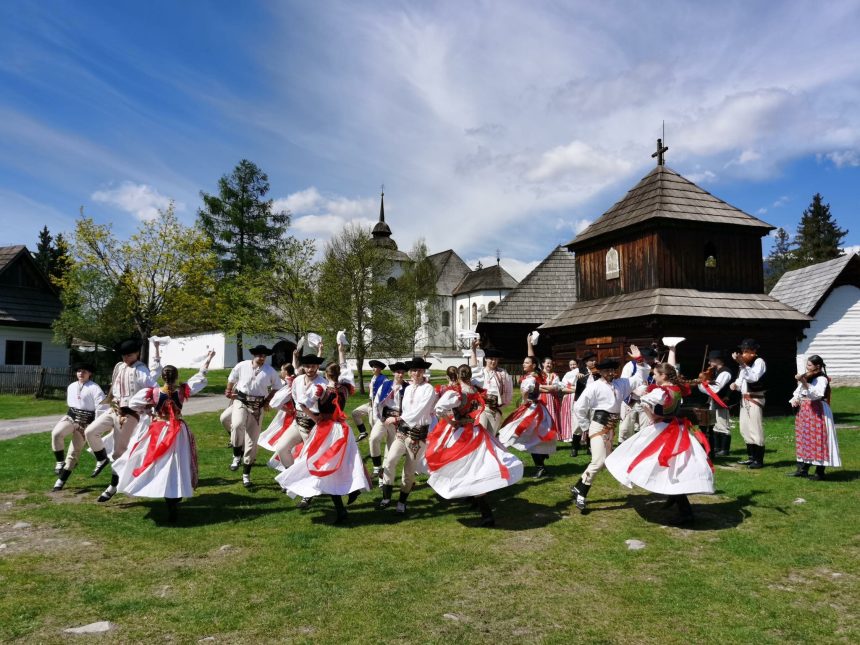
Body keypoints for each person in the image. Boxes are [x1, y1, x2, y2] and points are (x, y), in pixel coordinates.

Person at [605, 349, 714, 525]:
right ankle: (673, 497)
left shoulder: (661, 392)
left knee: (657, 463)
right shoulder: (676, 388)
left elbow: (645, 403)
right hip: (677, 428)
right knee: (673, 465)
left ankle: (686, 512)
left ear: (663, 375)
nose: (653, 377)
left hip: (665, 430)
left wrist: (652, 416)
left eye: (655, 374)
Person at [113, 351, 215, 522]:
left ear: (162, 377)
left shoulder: (152, 392)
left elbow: (133, 404)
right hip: (178, 431)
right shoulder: (183, 390)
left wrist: (148, 410)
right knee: (177, 461)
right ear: (176, 377)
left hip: (159, 428)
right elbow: (200, 378)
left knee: (157, 460)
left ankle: (162, 490)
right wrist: (208, 361)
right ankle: (175, 495)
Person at [426, 364, 523, 527]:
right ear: (470, 376)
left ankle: (486, 513)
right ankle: (473, 500)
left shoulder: (456, 391)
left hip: (463, 433)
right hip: (476, 431)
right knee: (477, 466)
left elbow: (439, 409)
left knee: (464, 467)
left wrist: (452, 422)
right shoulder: (475, 389)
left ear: (458, 375)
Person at [276, 370, 370, 524]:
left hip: (326, 430)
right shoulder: (344, 388)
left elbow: (302, 404)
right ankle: (350, 495)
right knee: (343, 463)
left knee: (318, 463)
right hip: (342, 429)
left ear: (326, 375)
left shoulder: (322, 390)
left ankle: (339, 504)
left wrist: (315, 417)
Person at [570, 347, 648, 513]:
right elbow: (579, 407)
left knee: (602, 462)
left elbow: (640, 377)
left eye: (613, 370)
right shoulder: (594, 387)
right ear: (601, 371)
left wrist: (639, 360)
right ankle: (582, 494)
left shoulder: (621, 384)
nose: (611, 373)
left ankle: (577, 487)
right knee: (598, 461)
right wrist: (585, 427)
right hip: (598, 426)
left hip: (611, 427)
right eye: (607, 370)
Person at [84, 338, 162, 503]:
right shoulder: (119, 366)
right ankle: (101, 458)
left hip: (130, 415)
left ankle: (112, 487)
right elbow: (114, 387)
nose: (125, 358)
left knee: (120, 453)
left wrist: (149, 406)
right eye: (123, 355)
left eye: (129, 355)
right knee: (90, 432)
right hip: (114, 409)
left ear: (137, 354)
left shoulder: (141, 371)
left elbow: (155, 390)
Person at [378, 357, 438, 515]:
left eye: (419, 370)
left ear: (423, 371)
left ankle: (402, 502)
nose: (416, 373)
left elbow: (418, 411)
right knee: (389, 461)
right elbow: (405, 410)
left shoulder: (428, 389)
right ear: (409, 372)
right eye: (413, 370)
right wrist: (399, 422)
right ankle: (386, 497)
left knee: (409, 472)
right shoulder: (409, 388)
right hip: (402, 432)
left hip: (417, 436)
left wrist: (397, 419)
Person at [498, 337, 558, 479]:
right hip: (532, 409)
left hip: (533, 410)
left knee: (511, 434)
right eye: (524, 362)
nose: (523, 364)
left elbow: (527, 392)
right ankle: (540, 463)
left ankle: (503, 463)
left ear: (533, 365)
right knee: (528, 437)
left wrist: (525, 397)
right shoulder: (533, 375)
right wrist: (528, 343)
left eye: (526, 363)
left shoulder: (533, 377)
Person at [224, 344, 282, 487]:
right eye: (259, 355)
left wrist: (268, 400)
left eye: (264, 356)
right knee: (237, 425)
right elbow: (232, 378)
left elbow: (277, 387)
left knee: (252, 441)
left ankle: (246, 475)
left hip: (258, 406)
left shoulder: (270, 371)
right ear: (254, 355)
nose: (261, 358)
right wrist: (228, 389)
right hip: (241, 400)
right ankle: (237, 455)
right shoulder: (242, 365)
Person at [50, 363, 106, 491]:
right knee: (56, 434)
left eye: (84, 371)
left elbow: (102, 407)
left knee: (73, 454)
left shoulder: (94, 388)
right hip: (71, 418)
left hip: (86, 423)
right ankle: (59, 462)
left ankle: (60, 481)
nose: (81, 373)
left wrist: (93, 426)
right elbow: (72, 404)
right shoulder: (71, 386)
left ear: (90, 373)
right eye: (79, 371)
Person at [788, 355, 841, 480]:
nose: (807, 367)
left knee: (819, 439)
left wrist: (804, 382)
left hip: (818, 411)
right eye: (807, 365)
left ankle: (819, 472)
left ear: (818, 366)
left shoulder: (822, 378)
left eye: (810, 365)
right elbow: (798, 392)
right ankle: (802, 469)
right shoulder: (807, 377)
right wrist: (795, 399)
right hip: (805, 411)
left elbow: (817, 394)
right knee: (805, 438)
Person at [730, 338, 767, 469]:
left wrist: (743, 364)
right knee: (745, 428)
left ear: (754, 351)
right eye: (743, 351)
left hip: (755, 399)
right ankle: (751, 457)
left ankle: (759, 460)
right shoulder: (743, 365)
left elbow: (753, 378)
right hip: (744, 399)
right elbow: (741, 381)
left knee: (755, 429)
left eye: (746, 351)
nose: (743, 353)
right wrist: (735, 385)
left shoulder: (759, 362)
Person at [367, 362, 407, 483]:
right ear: (393, 373)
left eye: (402, 372)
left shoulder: (407, 387)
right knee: (373, 438)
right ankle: (377, 467)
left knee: (390, 452)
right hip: (383, 417)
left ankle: (383, 479)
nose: (400, 374)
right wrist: (375, 418)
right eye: (398, 372)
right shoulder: (386, 384)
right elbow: (376, 401)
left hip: (397, 421)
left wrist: (400, 419)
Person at [257, 362, 297, 471]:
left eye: (282, 369)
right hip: (293, 413)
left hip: (291, 415)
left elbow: (275, 402)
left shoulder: (289, 382)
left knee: (285, 438)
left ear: (286, 371)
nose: (281, 372)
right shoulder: (295, 378)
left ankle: (284, 462)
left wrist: (286, 409)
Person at [469, 342, 513, 437]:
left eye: (496, 359)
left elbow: (508, 392)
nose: (493, 361)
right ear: (486, 359)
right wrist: (473, 350)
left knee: (491, 437)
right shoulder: (481, 372)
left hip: (495, 410)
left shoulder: (502, 373)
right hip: (482, 408)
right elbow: (473, 367)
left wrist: (501, 406)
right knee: (480, 434)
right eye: (491, 359)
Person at [696, 350, 733, 457]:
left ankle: (724, 449)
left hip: (722, 401)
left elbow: (716, 389)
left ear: (717, 360)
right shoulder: (717, 372)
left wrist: (701, 385)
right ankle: (717, 447)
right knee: (715, 425)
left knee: (722, 425)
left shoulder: (725, 372)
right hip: (715, 401)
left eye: (711, 360)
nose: (709, 363)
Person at [617, 347, 658, 443]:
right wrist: (635, 391)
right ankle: (622, 448)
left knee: (646, 427)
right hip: (630, 401)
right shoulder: (630, 366)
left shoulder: (655, 368)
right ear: (643, 357)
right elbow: (624, 383)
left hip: (646, 402)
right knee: (625, 428)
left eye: (652, 358)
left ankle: (643, 448)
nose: (651, 361)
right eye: (648, 358)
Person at [352, 359, 387, 441]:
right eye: (373, 367)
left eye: (375, 367)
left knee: (373, 428)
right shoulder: (373, 377)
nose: (373, 369)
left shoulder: (384, 379)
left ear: (380, 369)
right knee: (355, 413)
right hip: (369, 404)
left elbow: (386, 394)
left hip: (376, 407)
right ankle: (363, 432)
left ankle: (374, 449)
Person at [559, 359, 582, 454]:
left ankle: (580, 439)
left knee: (577, 418)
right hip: (568, 398)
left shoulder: (580, 374)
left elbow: (581, 388)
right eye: (571, 364)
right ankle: (570, 437)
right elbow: (563, 388)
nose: (572, 366)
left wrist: (571, 387)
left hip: (577, 398)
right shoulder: (567, 374)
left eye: (574, 364)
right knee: (568, 418)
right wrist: (574, 388)